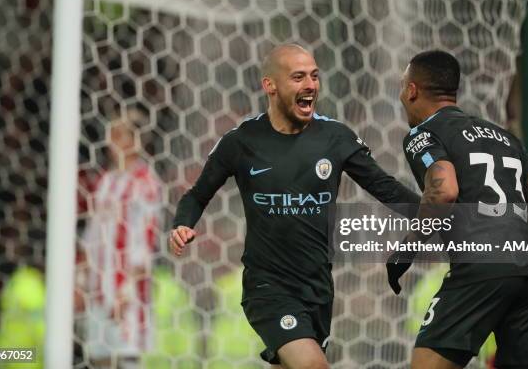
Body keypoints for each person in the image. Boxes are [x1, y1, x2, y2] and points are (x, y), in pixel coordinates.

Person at [171, 43, 420, 369]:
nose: (310, 85)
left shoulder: (335, 137)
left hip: (318, 288)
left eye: (315, 76)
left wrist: (451, 217)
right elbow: (197, 194)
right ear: (270, 85)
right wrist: (182, 222)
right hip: (268, 287)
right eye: (298, 77)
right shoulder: (241, 141)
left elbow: (385, 188)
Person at [387, 50, 528, 368]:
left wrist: (405, 252)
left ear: (412, 90)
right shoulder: (505, 138)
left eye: (402, 87)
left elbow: (444, 191)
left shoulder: (423, 134)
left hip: (481, 265)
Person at [78, 107, 161, 368]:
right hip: (97, 284)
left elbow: (145, 238)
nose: (110, 142)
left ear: (136, 140)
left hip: (126, 287)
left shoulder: (144, 181)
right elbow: (93, 231)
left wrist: (128, 287)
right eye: (110, 135)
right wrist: (82, 271)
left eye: (118, 135)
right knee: (100, 356)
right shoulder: (106, 180)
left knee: (126, 356)